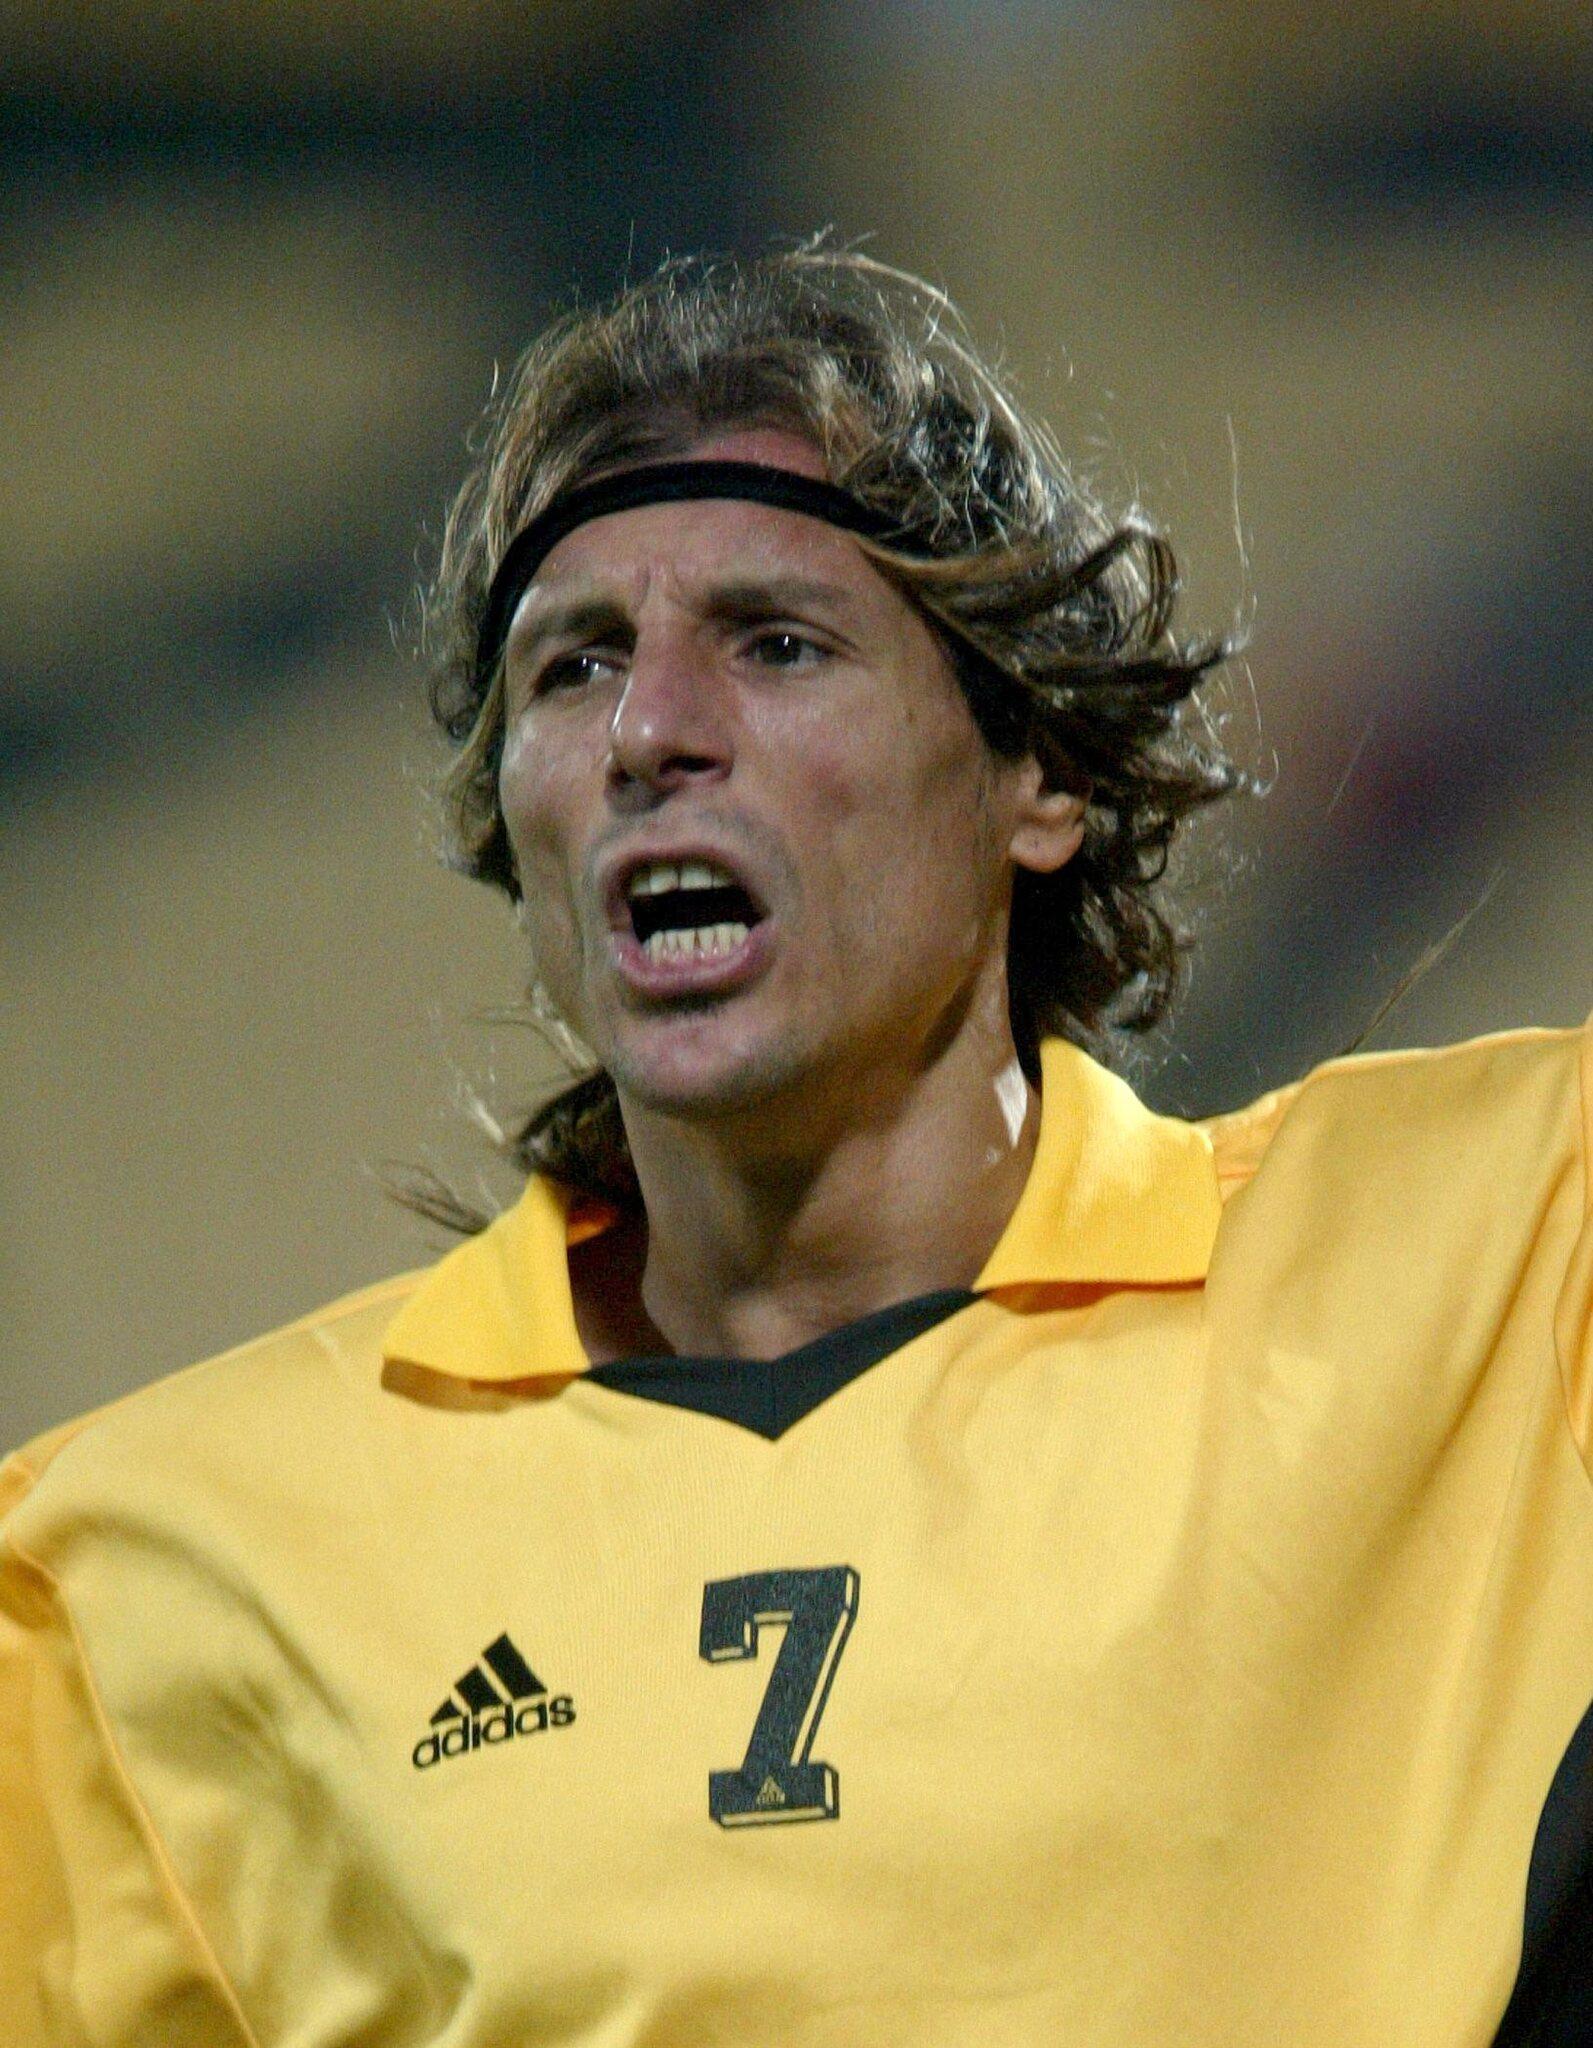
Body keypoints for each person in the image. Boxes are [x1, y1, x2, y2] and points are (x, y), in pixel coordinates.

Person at [2, 247, 1587, 2047]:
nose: (650, 734)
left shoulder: (1502, 1248)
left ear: (1036, 778)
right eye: (573, 667)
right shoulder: (139, 1567)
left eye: (775, 643)